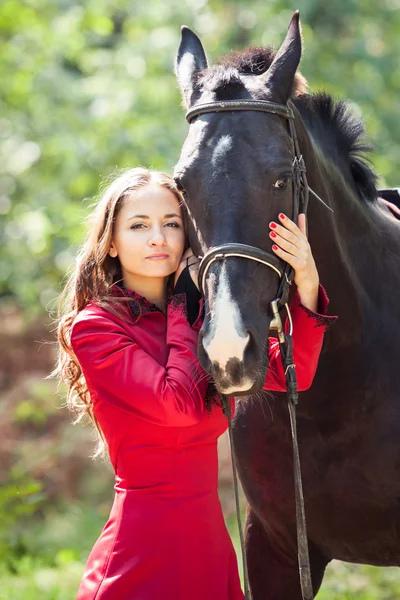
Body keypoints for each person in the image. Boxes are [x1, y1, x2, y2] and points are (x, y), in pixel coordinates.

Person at [54, 167, 336, 600]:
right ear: (110, 242)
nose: (158, 238)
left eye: (172, 223)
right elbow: (178, 405)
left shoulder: (204, 317)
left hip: (209, 546)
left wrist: (308, 282)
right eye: (138, 225)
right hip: (140, 550)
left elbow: (289, 371)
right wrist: (186, 308)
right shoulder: (97, 327)